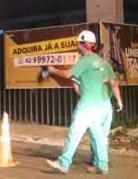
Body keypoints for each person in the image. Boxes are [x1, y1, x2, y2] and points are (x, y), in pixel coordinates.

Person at [45, 30, 111, 175]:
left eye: (78, 42)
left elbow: (68, 75)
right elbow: (104, 79)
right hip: (99, 103)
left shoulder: (84, 60)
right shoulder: (99, 61)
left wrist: (53, 70)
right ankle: (103, 166)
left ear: (84, 43)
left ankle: (63, 162)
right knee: (98, 135)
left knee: (74, 132)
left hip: (87, 103)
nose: (76, 45)